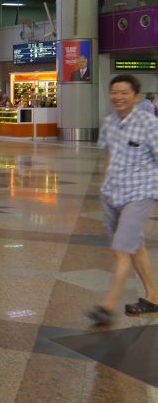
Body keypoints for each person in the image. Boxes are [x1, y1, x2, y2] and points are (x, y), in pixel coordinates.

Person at [86, 74, 158, 327]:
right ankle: (153, 296)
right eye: (114, 92)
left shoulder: (149, 124)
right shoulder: (109, 122)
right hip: (113, 193)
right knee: (133, 245)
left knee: (121, 249)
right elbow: (108, 154)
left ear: (136, 96)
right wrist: (105, 185)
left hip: (139, 193)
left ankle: (107, 306)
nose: (118, 96)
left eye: (124, 92)